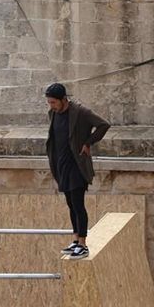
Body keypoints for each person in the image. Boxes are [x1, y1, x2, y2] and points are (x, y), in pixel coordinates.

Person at [45, 83, 110, 259]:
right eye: (49, 103)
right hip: (62, 166)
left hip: (77, 166)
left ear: (63, 99)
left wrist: (88, 142)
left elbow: (103, 125)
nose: (51, 106)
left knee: (78, 204)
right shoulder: (53, 114)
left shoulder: (80, 112)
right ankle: (75, 240)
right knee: (70, 205)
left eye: (53, 102)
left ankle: (83, 244)